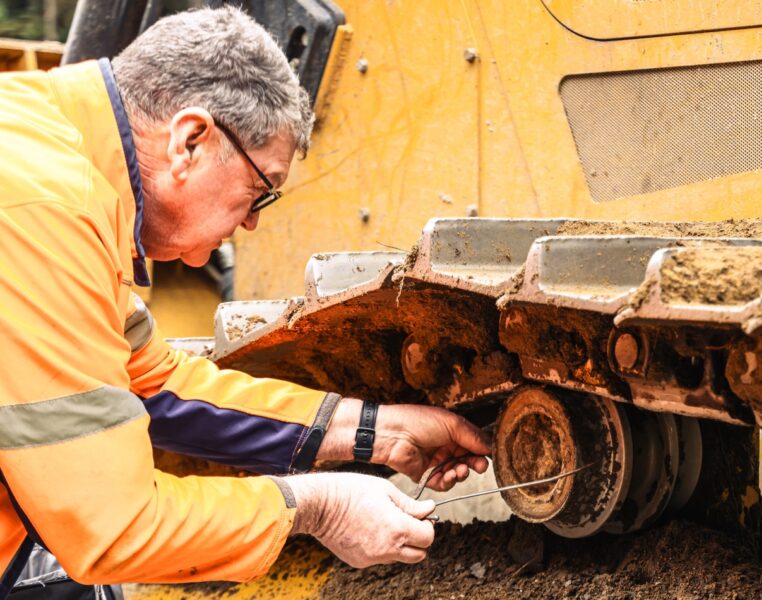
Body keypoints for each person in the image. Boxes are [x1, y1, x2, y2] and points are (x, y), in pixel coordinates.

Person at [0, 5, 491, 595]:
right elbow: (114, 528)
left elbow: (153, 385)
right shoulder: (42, 209)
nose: (252, 226)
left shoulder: (44, 141)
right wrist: (316, 506)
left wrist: (375, 432)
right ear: (191, 141)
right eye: (261, 191)